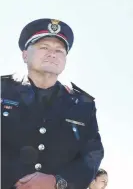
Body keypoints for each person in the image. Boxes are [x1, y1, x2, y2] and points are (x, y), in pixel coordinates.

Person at [1, 18, 104, 189]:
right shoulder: (3, 90)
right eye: (44, 47)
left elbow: (91, 154)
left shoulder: (82, 104)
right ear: (25, 55)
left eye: (59, 50)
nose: (52, 54)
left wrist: (58, 181)